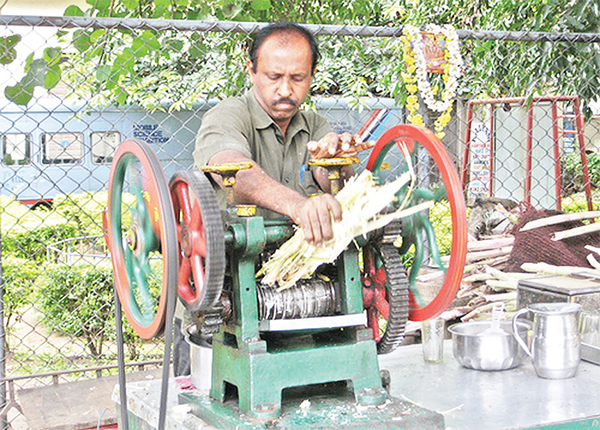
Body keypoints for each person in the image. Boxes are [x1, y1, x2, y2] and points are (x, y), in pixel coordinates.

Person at [193, 22, 374, 245]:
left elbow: (333, 184)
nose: (286, 90)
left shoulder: (315, 125)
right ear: (252, 71)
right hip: (233, 261)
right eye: (274, 77)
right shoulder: (227, 115)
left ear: (312, 75)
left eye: (298, 78)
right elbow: (234, 173)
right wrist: (298, 206)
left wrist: (338, 164)